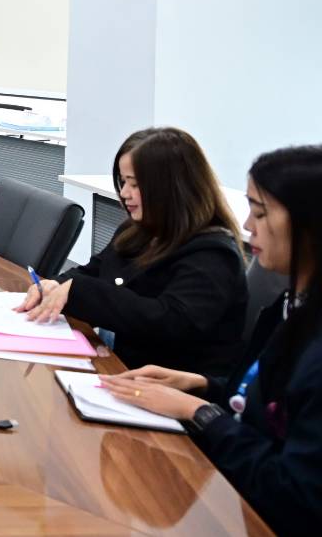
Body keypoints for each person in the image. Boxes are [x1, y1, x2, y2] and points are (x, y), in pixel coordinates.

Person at [99, 145, 322, 535]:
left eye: (261, 212)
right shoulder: (290, 304)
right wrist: (200, 385)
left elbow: (293, 495)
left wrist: (200, 413)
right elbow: (258, 404)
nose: (248, 225)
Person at [17, 127, 247, 375]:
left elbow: (168, 322)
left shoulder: (212, 253)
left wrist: (78, 291)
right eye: (123, 182)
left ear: (172, 187)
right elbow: (92, 270)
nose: (125, 193)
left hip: (163, 386)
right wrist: (55, 285)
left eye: (135, 184)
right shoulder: (138, 230)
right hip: (120, 367)